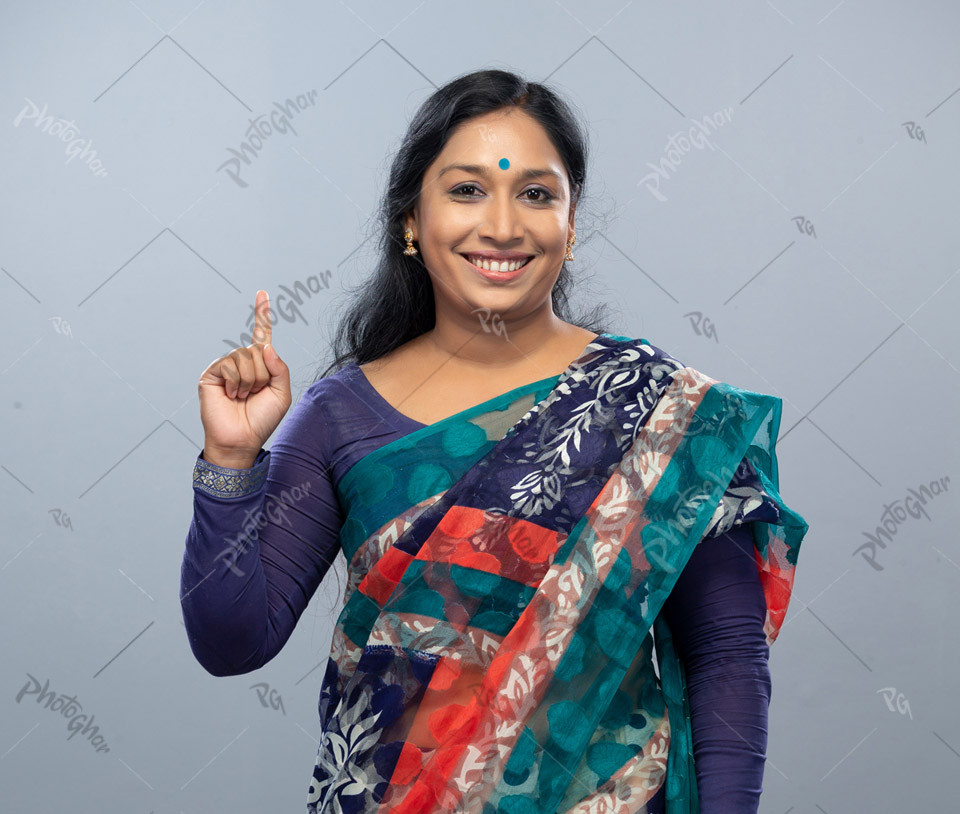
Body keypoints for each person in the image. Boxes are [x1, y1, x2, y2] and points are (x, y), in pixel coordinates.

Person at [180, 69, 808, 813]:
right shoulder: (340, 415)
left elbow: (726, 659)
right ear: (410, 220)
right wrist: (230, 459)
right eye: (467, 190)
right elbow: (231, 641)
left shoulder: (664, 415)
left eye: (536, 194)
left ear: (571, 225)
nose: (504, 226)